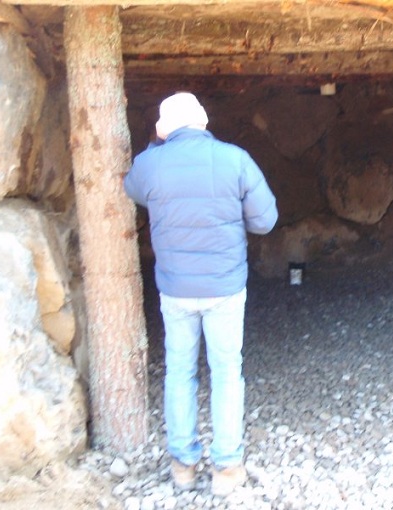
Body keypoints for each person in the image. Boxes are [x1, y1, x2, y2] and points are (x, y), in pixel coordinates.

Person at [124, 92, 278, 494]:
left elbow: (136, 192)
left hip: (175, 288)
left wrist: (157, 146)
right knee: (227, 373)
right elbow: (265, 221)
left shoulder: (148, 164)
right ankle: (226, 469)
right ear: (204, 121)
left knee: (180, 371)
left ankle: (183, 466)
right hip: (224, 285)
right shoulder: (236, 159)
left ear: (163, 128)